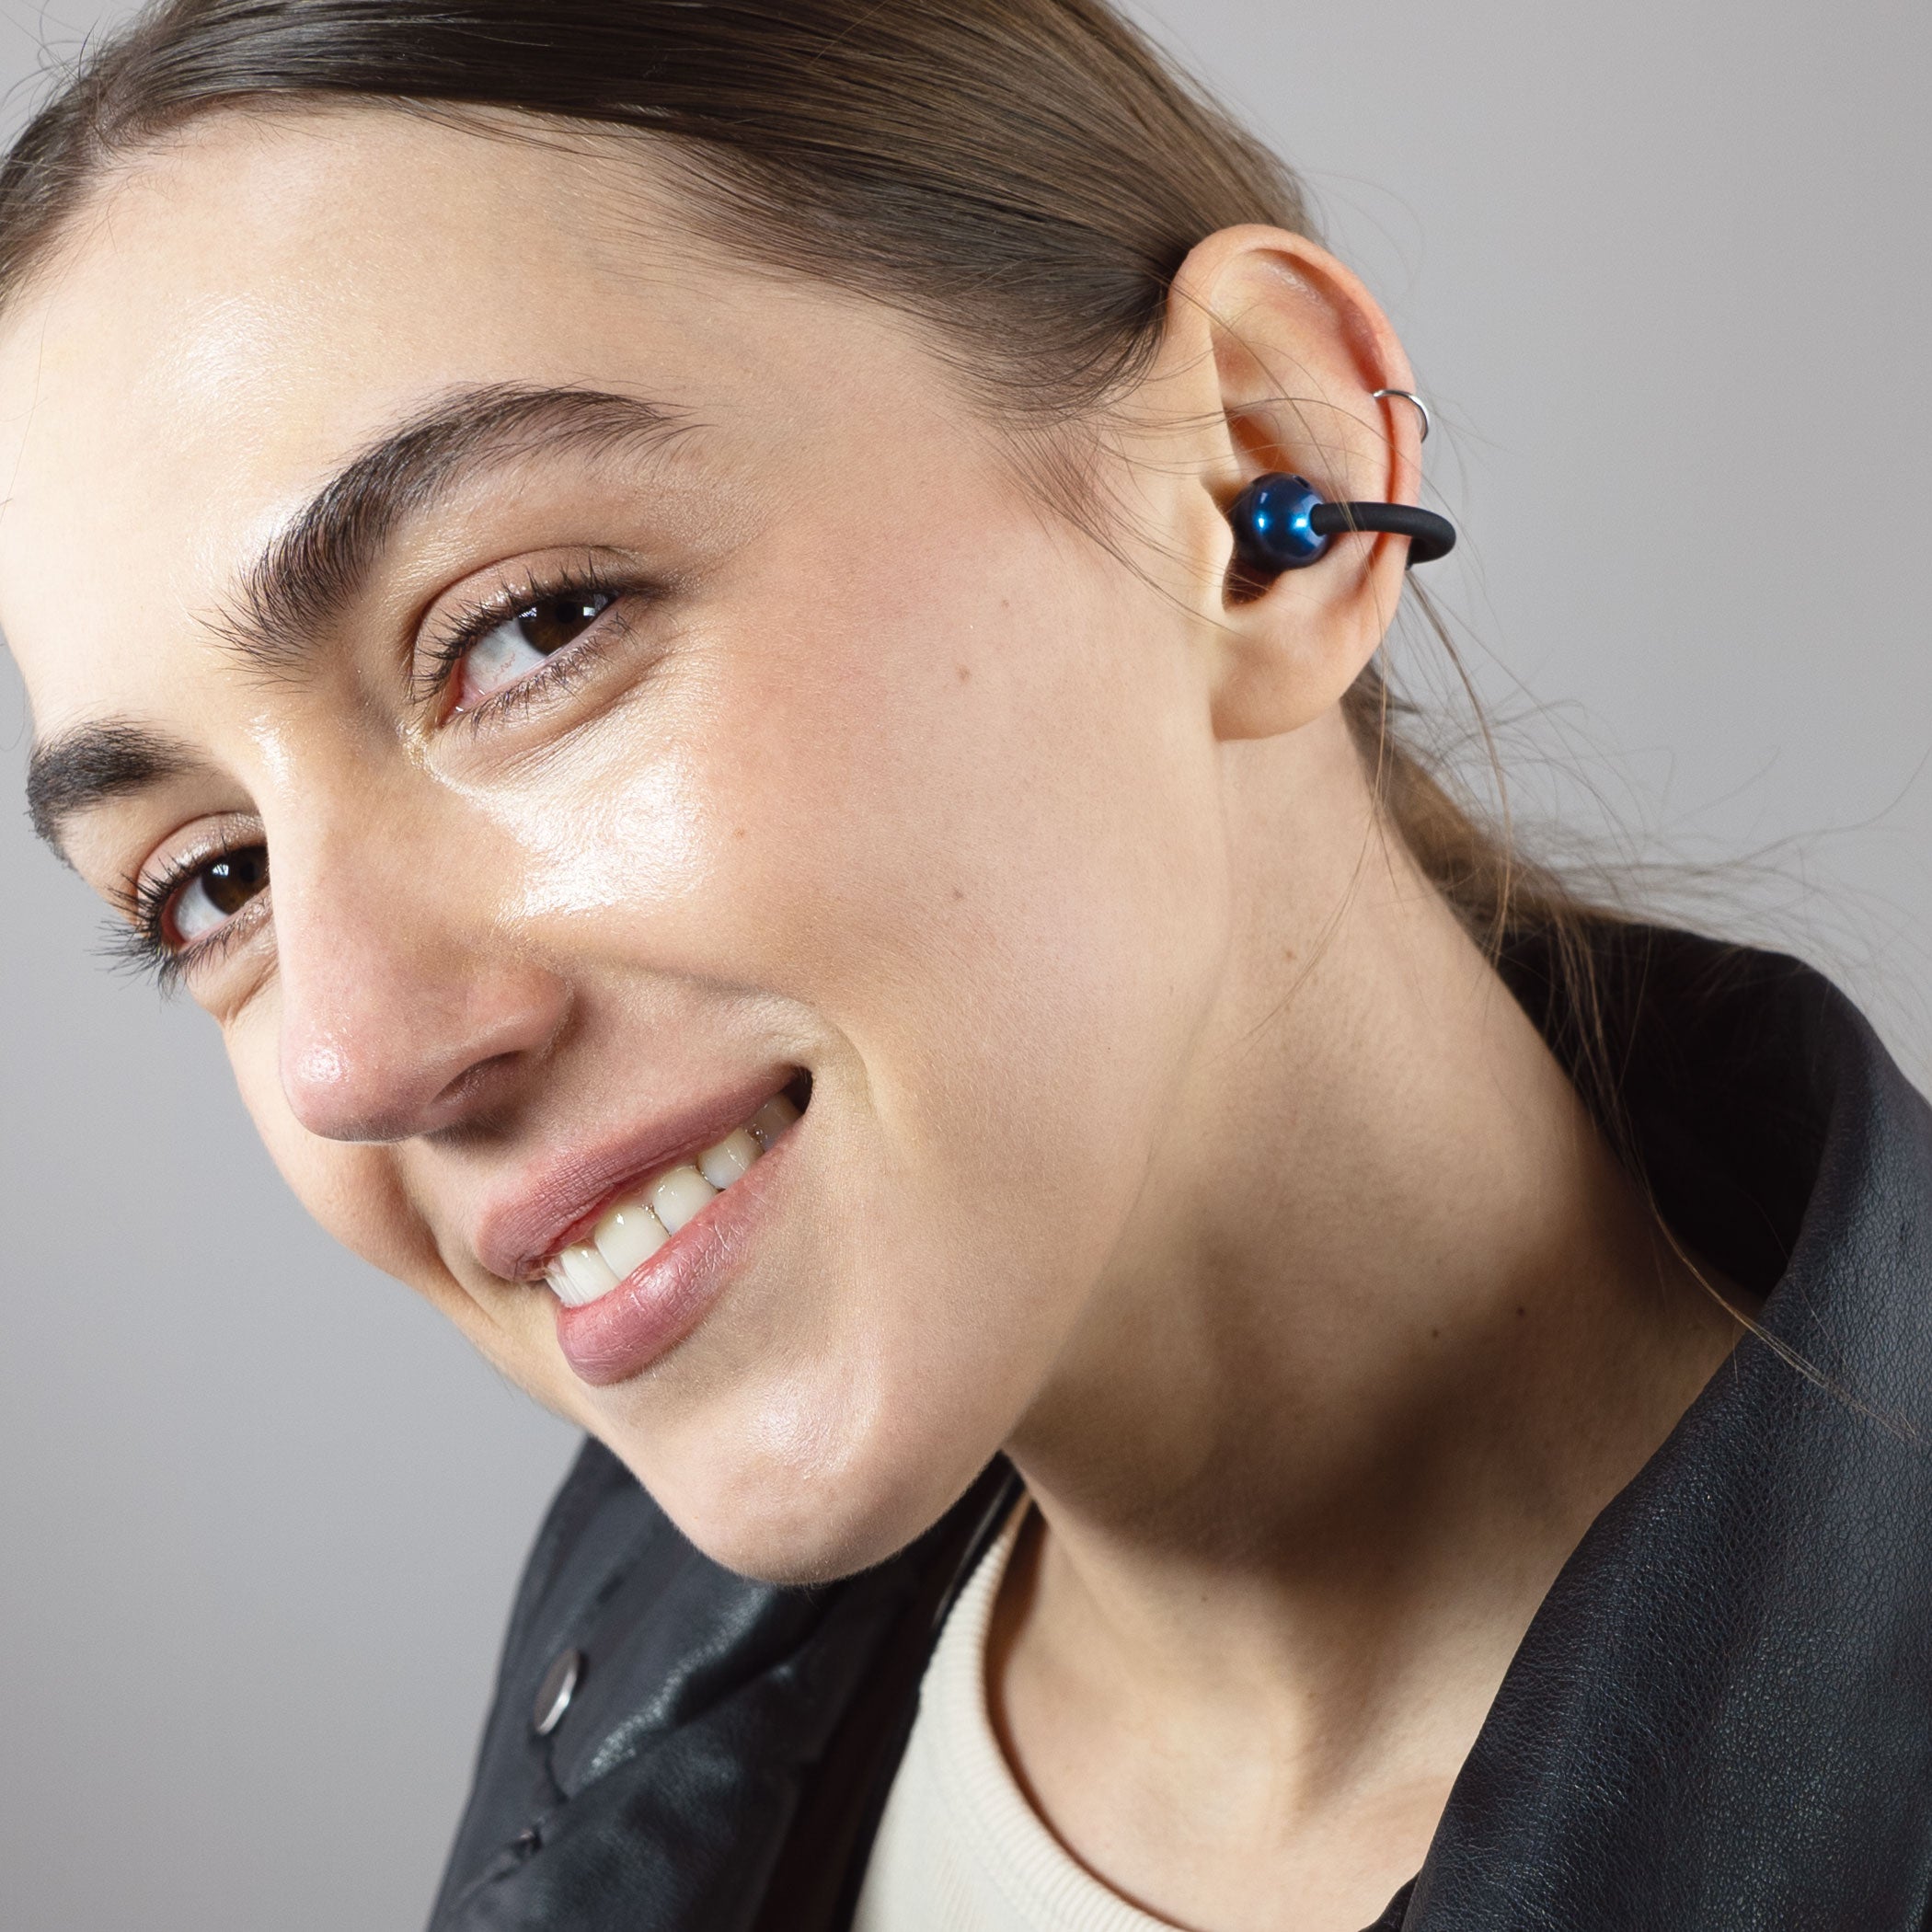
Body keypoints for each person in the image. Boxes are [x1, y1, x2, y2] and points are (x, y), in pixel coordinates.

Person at [5, 3, 1929, 1928]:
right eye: (210, 884)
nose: (350, 1054)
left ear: (1257, 484)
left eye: (528, 629)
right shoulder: (625, 1692)